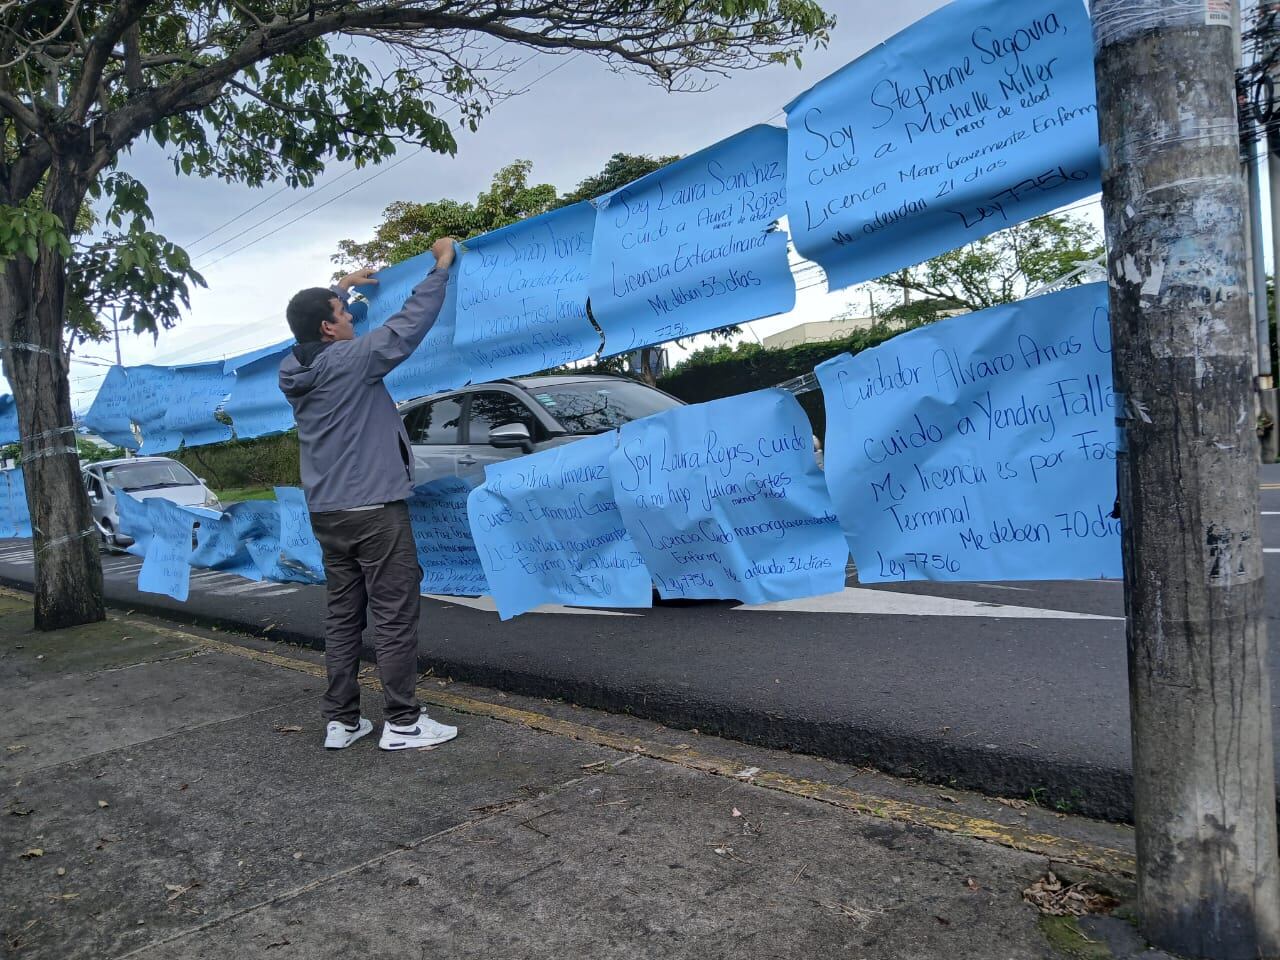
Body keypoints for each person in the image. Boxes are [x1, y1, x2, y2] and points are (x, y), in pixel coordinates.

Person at [279, 236, 459, 752]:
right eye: (343, 312)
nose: (352, 318)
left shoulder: (292, 368)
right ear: (329, 328)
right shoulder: (353, 359)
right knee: (394, 614)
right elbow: (408, 325)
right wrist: (441, 267)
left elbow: (308, 327)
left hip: (328, 515)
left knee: (343, 616)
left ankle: (342, 721)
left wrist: (341, 287)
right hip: (374, 513)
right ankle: (403, 723)